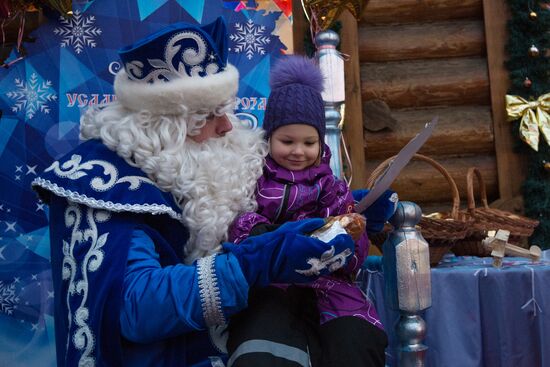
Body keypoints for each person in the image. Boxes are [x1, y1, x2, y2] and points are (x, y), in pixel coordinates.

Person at [31, 18, 357, 367]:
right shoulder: (102, 183)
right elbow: (134, 308)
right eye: (212, 114)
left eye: (227, 109)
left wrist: (345, 202)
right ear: (167, 124)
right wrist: (256, 264)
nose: (228, 126)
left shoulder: (202, 162)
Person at [226, 56, 398, 367]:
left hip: (329, 285)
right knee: (264, 345)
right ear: (269, 138)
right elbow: (237, 220)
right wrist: (259, 232)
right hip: (272, 282)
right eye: (287, 140)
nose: (298, 151)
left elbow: (353, 257)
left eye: (309, 142)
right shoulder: (253, 178)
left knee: (354, 340)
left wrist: (352, 234)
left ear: (320, 143)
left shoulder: (332, 186)